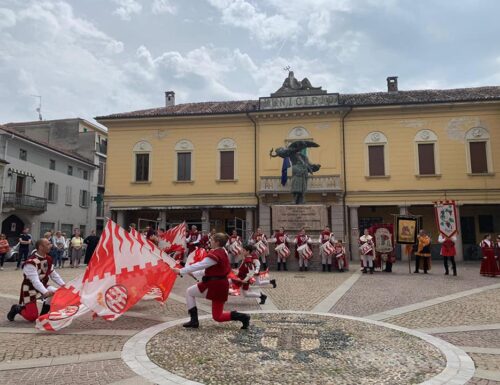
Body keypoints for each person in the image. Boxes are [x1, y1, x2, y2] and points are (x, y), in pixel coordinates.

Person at [172, 232, 250, 329]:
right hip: (218, 284)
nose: (210, 241)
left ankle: (243, 317)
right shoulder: (223, 251)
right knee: (217, 315)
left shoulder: (216, 254)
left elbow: (200, 265)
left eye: (212, 240)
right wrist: (193, 273)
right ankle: (243, 317)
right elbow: (210, 270)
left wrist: (181, 271)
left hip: (215, 285)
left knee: (218, 316)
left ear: (217, 242)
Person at [7, 238, 65, 322]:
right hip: (29, 289)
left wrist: (64, 286)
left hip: (42, 285)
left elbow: (53, 274)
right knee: (32, 317)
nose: (50, 246)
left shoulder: (48, 258)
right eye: (48, 244)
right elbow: (35, 281)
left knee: (56, 292)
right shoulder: (30, 262)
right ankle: (17, 308)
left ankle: (43, 316)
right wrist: (45, 292)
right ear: (41, 247)